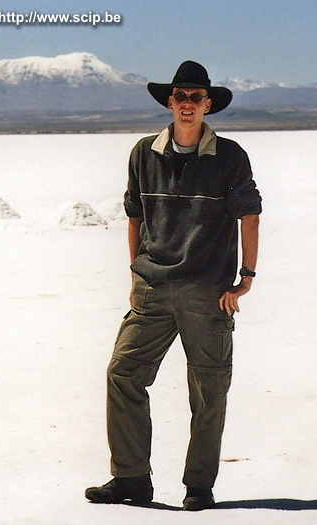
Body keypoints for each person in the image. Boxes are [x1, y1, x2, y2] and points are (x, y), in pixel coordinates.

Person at [85, 60, 262, 511]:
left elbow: (250, 215)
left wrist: (246, 278)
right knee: (122, 374)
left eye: (195, 98)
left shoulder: (230, 157)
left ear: (208, 105)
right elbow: (134, 216)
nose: (187, 104)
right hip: (153, 289)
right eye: (180, 96)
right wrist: (135, 272)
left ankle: (198, 488)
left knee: (208, 390)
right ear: (170, 101)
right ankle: (130, 480)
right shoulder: (144, 152)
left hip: (208, 293)